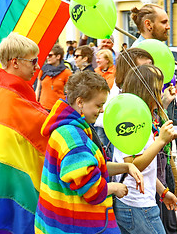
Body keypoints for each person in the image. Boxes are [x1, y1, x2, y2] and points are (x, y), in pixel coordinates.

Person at [34, 70, 144, 234]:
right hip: (74, 227)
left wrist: (126, 167)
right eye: (98, 105)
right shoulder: (72, 138)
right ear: (80, 102)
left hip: (62, 223)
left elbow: (93, 167)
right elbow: (92, 190)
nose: (101, 111)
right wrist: (114, 187)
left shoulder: (70, 129)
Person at [113, 65, 177, 234]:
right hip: (135, 205)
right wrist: (160, 142)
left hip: (141, 202)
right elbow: (133, 166)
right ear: (146, 91)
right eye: (158, 89)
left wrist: (163, 192)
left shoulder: (142, 118)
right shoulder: (129, 121)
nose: (160, 93)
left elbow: (146, 170)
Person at [0, 32, 49, 234]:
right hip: (11, 182)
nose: (38, 67)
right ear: (15, 62)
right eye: (33, 61)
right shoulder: (12, 97)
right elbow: (47, 128)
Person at [35, 44, 72, 112]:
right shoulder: (43, 70)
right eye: (47, 55)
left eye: (50, 55)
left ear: (58, 56)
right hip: (43, 107)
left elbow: (71, 91)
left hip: (59, 108)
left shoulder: (66, 72)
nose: (47, 57)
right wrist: (35, 103)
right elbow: (38, 88)